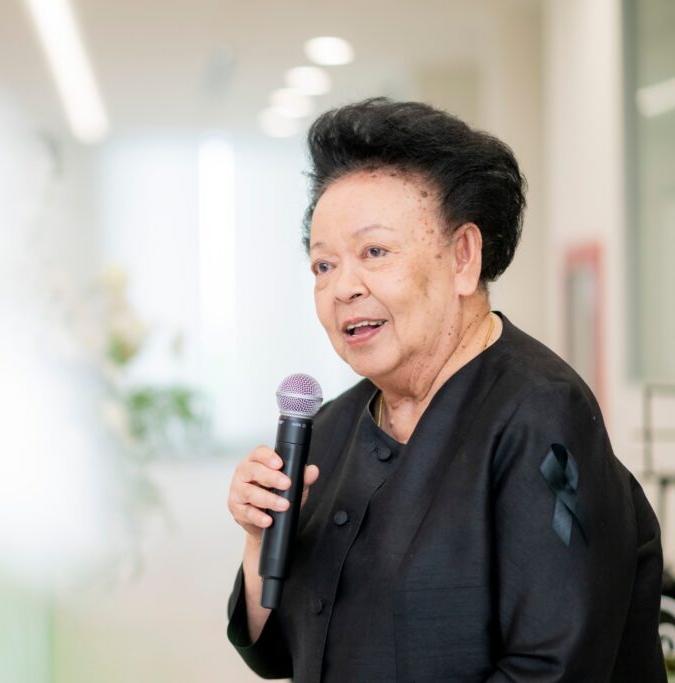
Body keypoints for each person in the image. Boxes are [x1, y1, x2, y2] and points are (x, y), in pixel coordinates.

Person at [225, 98, 665, 681]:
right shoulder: (328, 430)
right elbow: (279, 653)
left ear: (463, 257)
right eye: (323, 266)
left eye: (374, 252)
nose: (342, 288)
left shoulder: (540, 416)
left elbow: (554, 668)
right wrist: (260, 541)